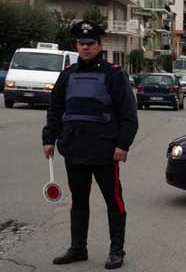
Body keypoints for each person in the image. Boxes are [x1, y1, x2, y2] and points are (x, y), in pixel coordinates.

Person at [42, 20, 138, 270]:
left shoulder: (114, 74)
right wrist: (48, 139)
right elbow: (56, 109)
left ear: (99, 45)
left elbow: (128, 114)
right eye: (81, 44)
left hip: (105, 151)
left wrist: (123, 145)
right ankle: (78, 248)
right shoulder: (67, 75)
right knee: (78, 201)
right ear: (76, 46)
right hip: (74, 150)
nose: (85, 48)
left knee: (113, 201)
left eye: (90, 44)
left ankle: (116, 250)